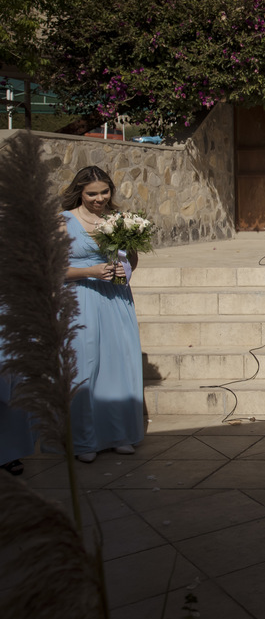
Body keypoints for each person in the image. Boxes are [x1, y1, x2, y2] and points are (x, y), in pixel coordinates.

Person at [61, 166, 144, 463]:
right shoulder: (63, 222)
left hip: (116, 298)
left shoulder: (119, 220)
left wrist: (126, 269)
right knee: (86, 366)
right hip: (81, 298)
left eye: (104, 192)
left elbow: (131, 258)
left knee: (118, 363)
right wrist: (90, 271)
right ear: (79, 193)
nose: (99, 199)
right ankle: (84, 441)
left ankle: (119, 434)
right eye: (92, 194)